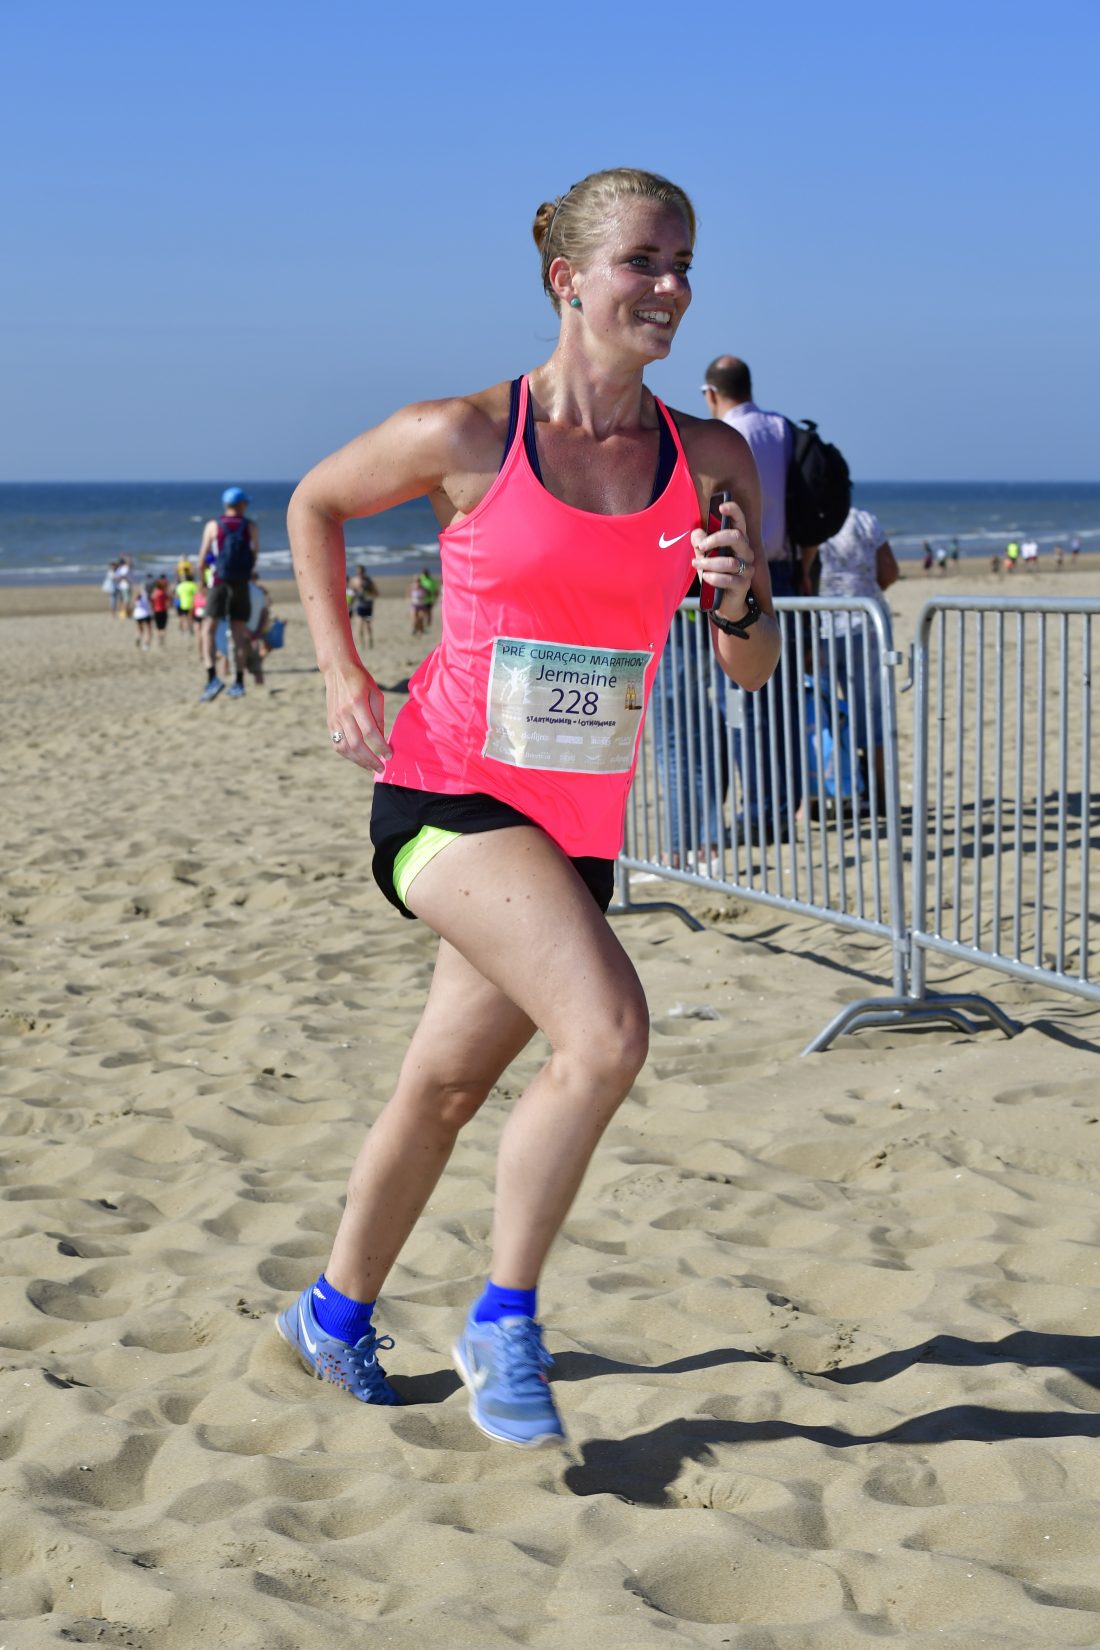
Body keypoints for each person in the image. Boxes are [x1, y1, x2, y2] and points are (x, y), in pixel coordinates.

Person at [281, 167, 780, 1448]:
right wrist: (344, 670)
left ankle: (331, 1317)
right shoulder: (465, 435)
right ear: (568, 278)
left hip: (575, 834)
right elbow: (316, 503)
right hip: (446, 796)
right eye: (642, 263)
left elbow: (747, 666)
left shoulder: (705, 456)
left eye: (682, 264)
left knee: (443, 1090)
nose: (668, 288)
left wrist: (734, 593)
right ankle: (504, 1316)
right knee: (608, 1032)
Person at [698, 355, 801, 841]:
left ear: (711, 394)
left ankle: (760, 812)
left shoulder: (721, 441)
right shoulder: (783, 429)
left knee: (741, 698)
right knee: (784, 698)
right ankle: (781, 805)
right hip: (788, 564)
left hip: (743, 566)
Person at [802, 507, 899, 803]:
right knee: (872, 712)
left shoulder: (808, 520)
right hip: (867, 624)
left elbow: (804, 576)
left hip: (822, 628)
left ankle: (830, 791)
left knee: (822, 713)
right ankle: (882, 793)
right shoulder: (864, 520)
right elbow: (888, 573)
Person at [196, 487, 259, 701]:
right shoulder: (250, 526)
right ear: (241, 504)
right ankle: (239, 682)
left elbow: (202, 559)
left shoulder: (214, 526)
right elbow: (254, 554)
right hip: (240, 583)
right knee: (239, 634)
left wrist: (203, 583)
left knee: (208, 630)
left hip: (219, 582)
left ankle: (212, 678)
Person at [350, 564, 378, 650]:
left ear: (364, 572)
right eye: (358, 572)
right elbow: (351, 594)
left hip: (368, 607)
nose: (360, 573)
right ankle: (362, 645)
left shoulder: (368, 581)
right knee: (359, 626)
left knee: (368, 625)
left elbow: (376, 593)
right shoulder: (354, 581)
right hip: (360, 607)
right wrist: (350, 603)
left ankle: (370, 641)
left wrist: (367, 591)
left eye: (361, 572)